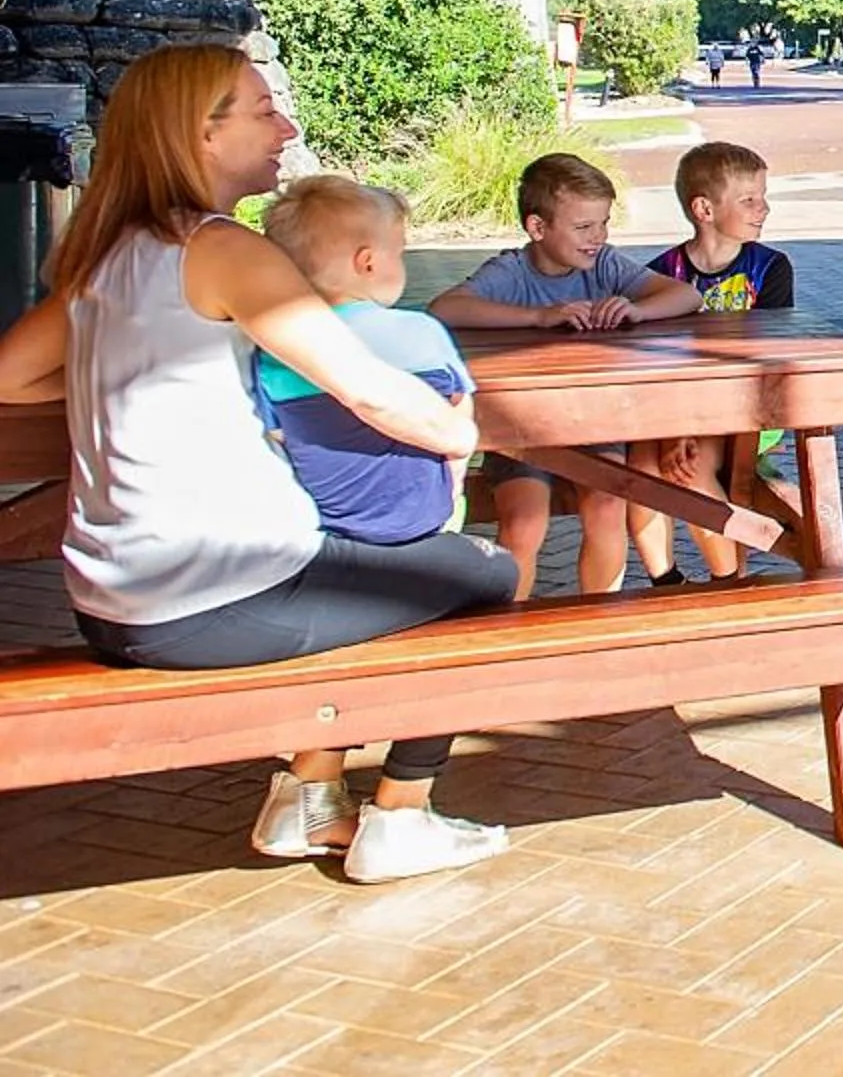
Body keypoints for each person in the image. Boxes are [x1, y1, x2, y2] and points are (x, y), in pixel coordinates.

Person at [0, 45, 518, 883]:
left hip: (112, 595)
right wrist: (463, 436)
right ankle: (401, 816)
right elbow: (372, 393)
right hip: (217, 592)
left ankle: (309, 799)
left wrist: (133, 374)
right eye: (261, 109)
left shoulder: (112, 253)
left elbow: (11, 375)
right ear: (201, 135)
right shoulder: (222, 250)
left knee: (384, 572)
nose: (286, 126)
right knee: (486, 574)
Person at [427, 154, 701, 597]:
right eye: (584, 227)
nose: (598, 237)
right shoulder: (511, 271)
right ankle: (508, 627)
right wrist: (538, 316)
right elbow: (445, 308)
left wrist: (636, 308)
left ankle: (598, 617)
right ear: (538, 228)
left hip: (597, 423)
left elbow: (684, 295)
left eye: (604, 224)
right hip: (523, 429)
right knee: (524, 522)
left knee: (609, 504)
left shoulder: (607, 265)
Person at [256, 177, 476, 543]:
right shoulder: (422, 331)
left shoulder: (276, 346)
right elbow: (459, 409)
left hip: (330, 530)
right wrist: (454, 484)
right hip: (426, 520)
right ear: (368, 263)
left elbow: (276, 435)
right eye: (400, 252)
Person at [629, 141, 795, 585]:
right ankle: (666, 581)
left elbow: (761, 354)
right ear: (703, 208)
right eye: (749, 200)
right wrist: (675, 422)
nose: (765, 208)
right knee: (639, 468)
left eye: (763, 196)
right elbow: (654, 362)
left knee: (690, 468)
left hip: (745, 406)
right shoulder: (659, 275)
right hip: (674, 405)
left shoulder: (771, 269)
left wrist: (686, 423)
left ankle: (728, 582)